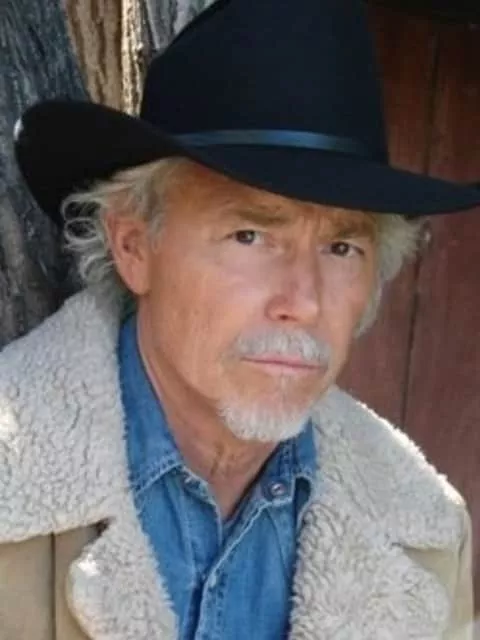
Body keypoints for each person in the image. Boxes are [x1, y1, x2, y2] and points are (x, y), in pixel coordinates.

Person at [1, 0, 479, 638]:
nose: (304, 301)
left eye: (342, 247)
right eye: (250, 235)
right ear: (134, 246)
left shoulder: (427, 534)